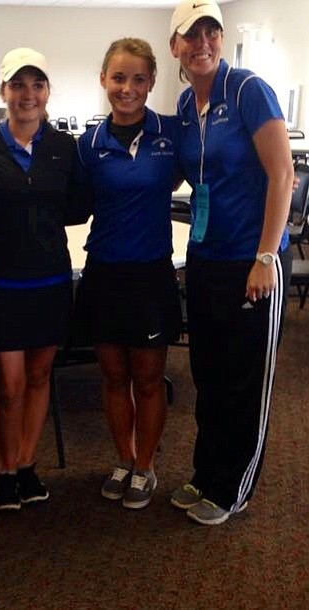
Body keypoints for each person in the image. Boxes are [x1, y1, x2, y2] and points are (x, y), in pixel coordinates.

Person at [168, 0, 294, 525]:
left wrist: (266, 256)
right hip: (206, 259)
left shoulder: (246, 89)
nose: (202, 43)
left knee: (244, 381)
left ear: (221, 39)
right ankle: (206, 473)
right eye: (190, 34)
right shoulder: (182, 105)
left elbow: (282, 174)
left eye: (211, 32)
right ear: (174, 45)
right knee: (209, 374)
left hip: (252, 260)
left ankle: (233, 488)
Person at [0, 49, 85, 511]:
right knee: (10, 385)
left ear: (47, 93)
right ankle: (5, 470)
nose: (28, 94)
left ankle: (28, 466)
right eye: (18, 85)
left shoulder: (63, 147)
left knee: (39, 376)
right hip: (3, 287)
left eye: (37, 85)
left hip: (51, 281)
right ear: (4, 92)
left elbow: (79, 204)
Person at [76, 38, 182, 510]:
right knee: (113, 376)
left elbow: (199, 177)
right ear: (104, 79)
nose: (128, 88)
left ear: (151, 82)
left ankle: (146, 466)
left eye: (138, 79)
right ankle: (124, 458)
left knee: (150, 378)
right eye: (119, 78)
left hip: (151, 276)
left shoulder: (171, 135)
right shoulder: (88, 145)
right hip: (104, 273)